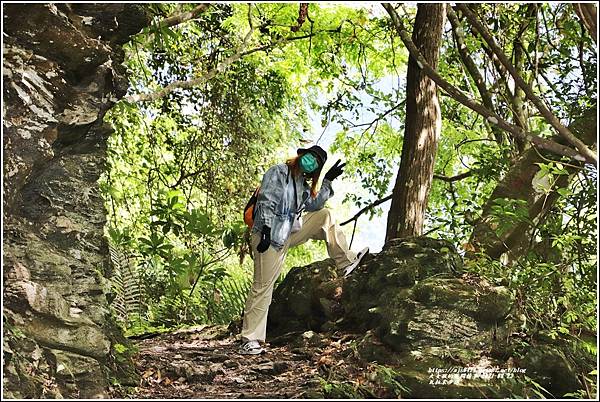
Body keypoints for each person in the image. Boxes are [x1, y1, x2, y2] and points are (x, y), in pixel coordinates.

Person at [239, 145, 369, 355]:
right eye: (311, 156)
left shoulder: (301, 184)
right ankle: (250, 339)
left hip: (286, 232)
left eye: (317, 161)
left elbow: (314, 204)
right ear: (301, 155)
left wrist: (328, 180)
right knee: (263, 286)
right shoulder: (279, 172)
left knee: (324, 216)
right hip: (268, 235)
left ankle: (345, 263)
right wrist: (264, 231)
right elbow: (267, 201)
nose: (312, 161)